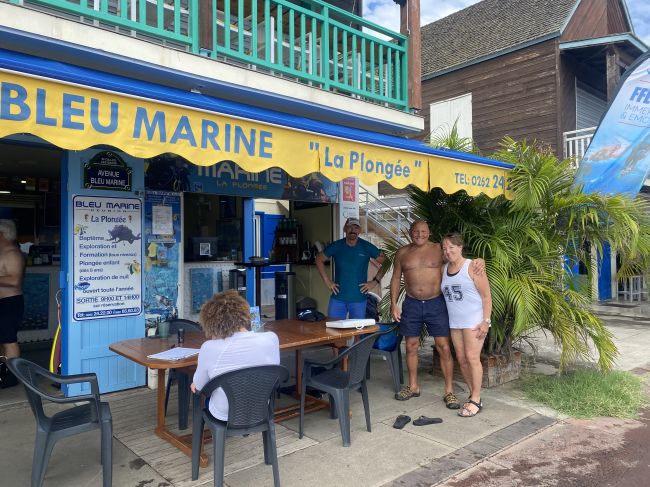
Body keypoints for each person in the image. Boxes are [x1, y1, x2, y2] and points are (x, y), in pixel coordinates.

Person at [390, 220, 483, 405]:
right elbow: (395, 279)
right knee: (411, 345)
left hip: (436, 303)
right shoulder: (402, 253)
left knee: (444, 347)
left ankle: (449, 391)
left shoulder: (439, 250)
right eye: (416, 231)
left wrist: (480, 261)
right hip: (412, 304)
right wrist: (394, 304)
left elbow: (458, 259)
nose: (419, 234)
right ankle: (413, 386)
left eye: (423, 231)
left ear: (429, 232)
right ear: (410, 232)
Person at [191, 290, 280, 421]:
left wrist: (195, 384)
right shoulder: (271, 338)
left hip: (224, 413)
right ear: (244, 313)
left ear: (211, 322)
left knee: (197, 388)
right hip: (261, 407)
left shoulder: (209, 348)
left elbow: (199, 386)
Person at [441, 232, 492, 417]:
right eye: (445, 248)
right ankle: (474, 395)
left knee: (472, 358)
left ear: (460, 247)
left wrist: (486, 321)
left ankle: (476, 400)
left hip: (474, 322)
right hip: (455, 323)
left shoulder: (473, 267)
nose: (448, 251)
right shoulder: (443, 269)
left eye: (451, 247)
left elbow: (486, 297)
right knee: (461, 359)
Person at [316, 217, 386, 319]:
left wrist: (375, 282)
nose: (352, 230)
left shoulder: (366, 246)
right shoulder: (337, 246)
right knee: (333, 331)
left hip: (359, 299)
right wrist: (327, 281)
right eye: (349, 227)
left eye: (356, 227)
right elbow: (319, 259)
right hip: (338, 298)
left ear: (359, 230)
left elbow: (386, 263)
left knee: (356, 332)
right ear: (345, 229)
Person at [0, 219, 25, 364]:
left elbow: (15, 281)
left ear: (2, 234)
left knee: (9, 340)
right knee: (2, 340)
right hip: (3, 302)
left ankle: (13, 375)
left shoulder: (12, 253)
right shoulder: (3, 252)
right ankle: (3, 370)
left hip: (10, 303)